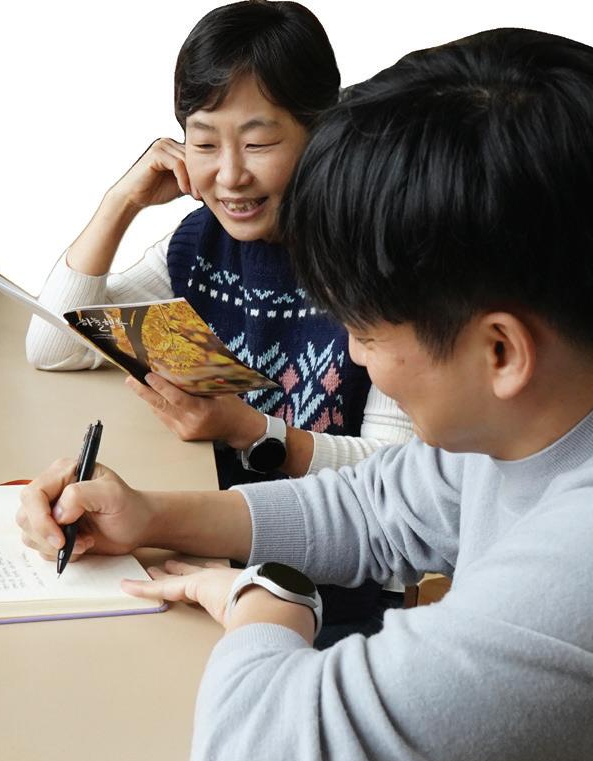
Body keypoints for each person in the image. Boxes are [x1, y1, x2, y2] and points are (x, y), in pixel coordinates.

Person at [16, 27, 593, 761]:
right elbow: (381, 505)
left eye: (366, 332)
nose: (352, 359)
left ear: (501, 350)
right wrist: (153, 516)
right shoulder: (574, 389)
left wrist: (265, 599)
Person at [26, 0, 413, 636]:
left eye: (258, 143)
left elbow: (403, 477)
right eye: (204, 143)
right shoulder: (203, 244)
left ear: (322, 133)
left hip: (329, 597)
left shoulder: (376, 262)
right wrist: (121, 201)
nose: (230, 175)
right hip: (203, 556)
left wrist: (250, 430)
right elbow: (54, 344)